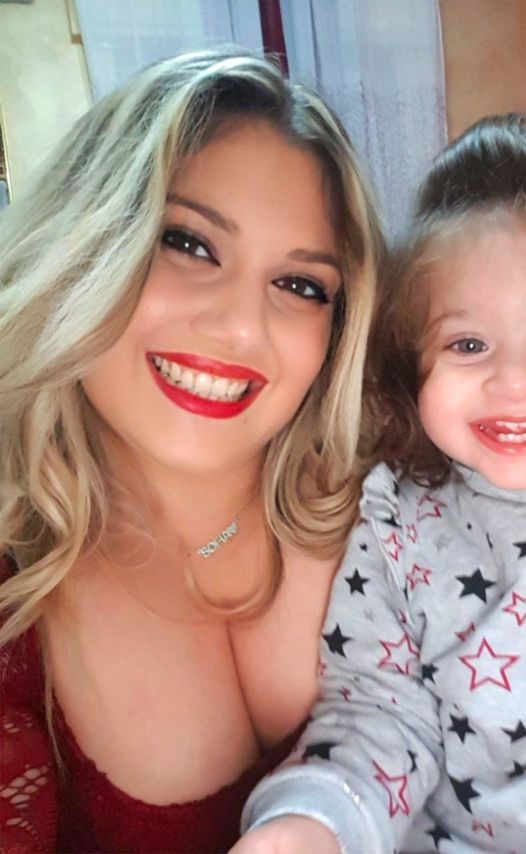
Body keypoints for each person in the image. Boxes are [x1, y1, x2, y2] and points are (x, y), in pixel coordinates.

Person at [0, 49, 384, 851]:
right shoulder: (17, 594)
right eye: (188, 243)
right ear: (85, 244)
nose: (241, 327)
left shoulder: (405, 509)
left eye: (300, 285)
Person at [236, 114, 526, 853]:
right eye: (468, 343)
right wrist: (313, 825)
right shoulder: (396, 520)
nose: (515, 381)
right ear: (414, 361)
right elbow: (380, 716)